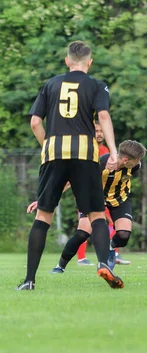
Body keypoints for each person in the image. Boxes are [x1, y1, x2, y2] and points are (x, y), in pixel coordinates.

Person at [17, 40, 123, 290]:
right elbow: (104, 116)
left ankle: (30, 280)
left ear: (67, 61)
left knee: (43, 216)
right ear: (90, 61)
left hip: (54, 153)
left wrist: (47, 145)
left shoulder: (51, 84)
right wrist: (114, 151)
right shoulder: (97, 85)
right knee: (96, 214)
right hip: (85, 154)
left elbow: (34, 122)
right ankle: (103, 265)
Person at [28, 140, 146, 274]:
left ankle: (111, 247)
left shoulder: (136, 166)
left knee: (123, 235)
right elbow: (69, 183)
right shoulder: (100, 164)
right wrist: (43, 200)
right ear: (125, 160)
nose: (138, 163)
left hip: (120, 200)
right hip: (95, 200)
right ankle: (60, 266)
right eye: (136, 160)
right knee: (82, 234)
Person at [77, 122, 132, 266]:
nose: (100, 133)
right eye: (96, 130)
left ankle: (113, 254)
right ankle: (81, 258)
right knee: (85, 228)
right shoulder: (85, 150)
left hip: (107, 196)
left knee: (115, 224)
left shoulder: (106, 150)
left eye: (102, 130)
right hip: (90, 195)